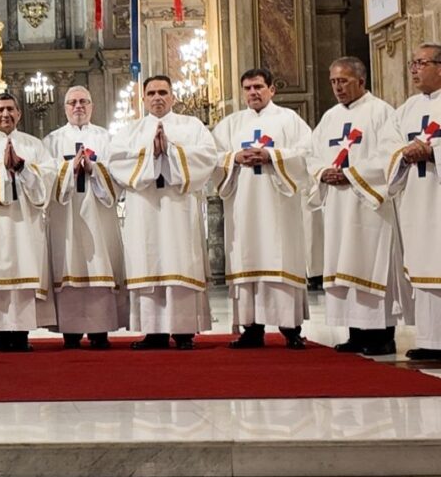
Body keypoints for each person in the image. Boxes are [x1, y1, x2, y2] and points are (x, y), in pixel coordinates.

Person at [307, 57, 411, 355]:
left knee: (371, 265)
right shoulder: (329, 118)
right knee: (344, 264)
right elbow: (313, 155)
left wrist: (351, 174)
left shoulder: (382, 113)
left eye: (344, 81)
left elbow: (390, 156)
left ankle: (381, 335)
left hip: (369, 205)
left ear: (361, 81)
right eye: (334, 82)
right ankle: (355, 332)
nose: (337, 87)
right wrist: (322, 172)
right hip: (338, 205)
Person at [108, 75, 218, 350]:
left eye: (163, 92)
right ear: (143, 98)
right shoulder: (130, 131)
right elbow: (115, 162)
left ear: (173, 96)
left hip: (178, 208)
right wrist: (149, 155)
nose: (157, 97)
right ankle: (153, 331)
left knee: (180, 261)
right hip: (144, 208)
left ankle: (183, 331)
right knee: (149, 262)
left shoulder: (191, 126)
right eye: (152, 93)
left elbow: (207, 157)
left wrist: (171, 152)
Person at [212, 68, 313, 349]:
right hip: (243, 206)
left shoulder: (289, 120)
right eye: (247, 88)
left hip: (279, 206)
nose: (253, 92)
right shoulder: (231, 124)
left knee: (280, 258)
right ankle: (251, 328)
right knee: (247, 258)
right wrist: (235, 156)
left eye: (258, 86)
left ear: (272, 89)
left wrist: (272, 155)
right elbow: (213, 158)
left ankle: (290, 328)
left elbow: (307, 153)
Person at [0, 92, 54, 352]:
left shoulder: (34, 145)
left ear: (19, 113)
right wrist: (1, 170)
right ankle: (0, 333)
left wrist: (23, 169)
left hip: (25, 224)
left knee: (24, 272)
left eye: (10, 109)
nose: (5, 114)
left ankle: (23, 333)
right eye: (0, 110)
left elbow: (48, 178)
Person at [42, 86, 126, 349]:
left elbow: (118, 175)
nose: (78, 106)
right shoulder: (51, 141)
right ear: (64, 107)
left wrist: (92, 168)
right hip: (65, 218)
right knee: (69, 265)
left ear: (92, 106)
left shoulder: (107, 139)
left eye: (83, 102)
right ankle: (71, 331)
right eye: (72, 102)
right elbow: (44, 178)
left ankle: (100, 330)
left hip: (98, 216)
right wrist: (69, 168)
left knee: (100, 264)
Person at [383, 44, 441, 359]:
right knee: (424, 267)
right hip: (417, 200)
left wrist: (433, 151)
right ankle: (431, 340)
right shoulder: (406, 109)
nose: (415, 69)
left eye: (421, 63)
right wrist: (403, 153)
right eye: (412, 63)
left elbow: (430, 146)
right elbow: (388, 146)